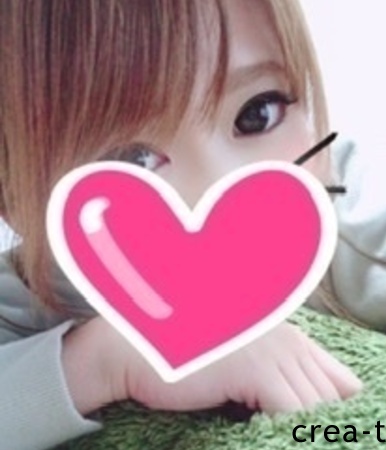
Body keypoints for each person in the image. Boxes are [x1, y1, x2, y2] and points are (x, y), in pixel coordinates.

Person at [0, 1, 363, 449]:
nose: (221, 186)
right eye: (131, 160)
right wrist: (100, 360)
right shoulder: (17, 305)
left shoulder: (341, 215)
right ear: (11, 197)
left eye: (257, 113)